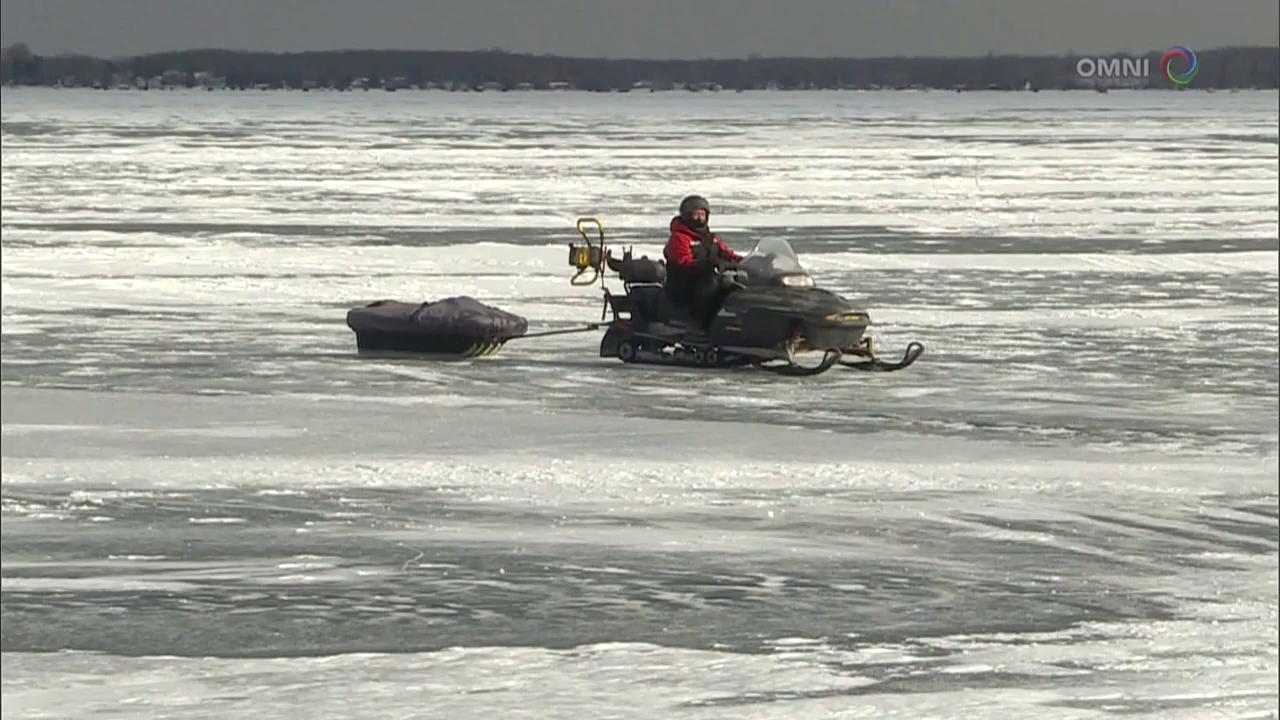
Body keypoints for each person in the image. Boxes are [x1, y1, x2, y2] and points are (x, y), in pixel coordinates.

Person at [662, 195, 742, 334]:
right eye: (696, 215)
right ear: (687, 216)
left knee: (734, 285)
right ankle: (697, 323)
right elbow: (682, 261)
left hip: (707, 277)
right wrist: (708, 264)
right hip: (683, 283)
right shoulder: (680, 238)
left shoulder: (711, 238)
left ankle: (731, 323)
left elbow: (728, 254)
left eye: (702, 214)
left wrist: (749, 261)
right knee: (710, 282)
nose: (699, 219)